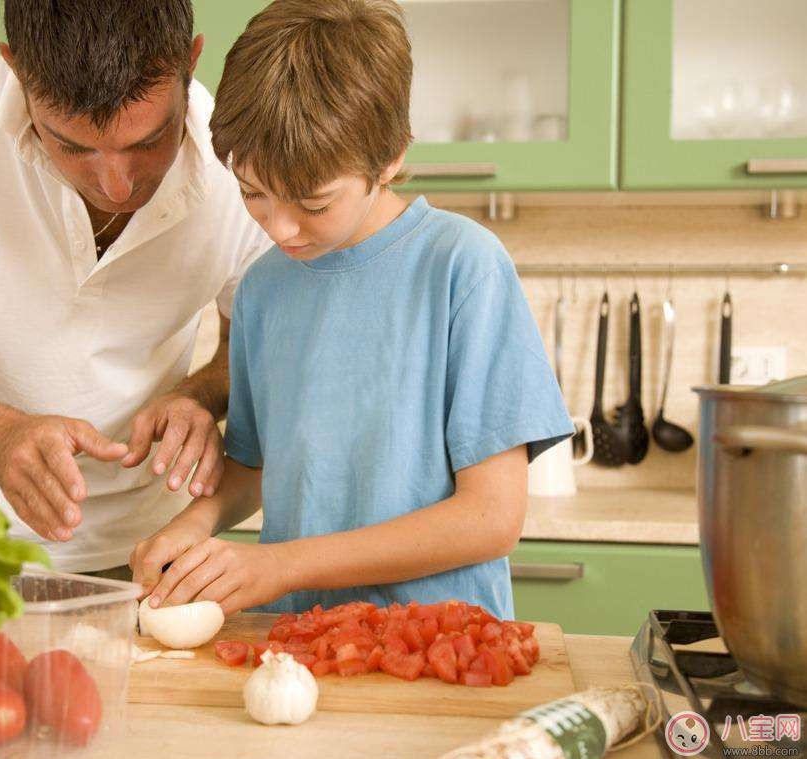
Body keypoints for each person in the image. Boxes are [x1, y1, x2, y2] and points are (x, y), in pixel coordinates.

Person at [130, 0, 573, 616]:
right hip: (298, 639)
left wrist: (282, 565)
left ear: (391, 157)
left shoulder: (461, 266)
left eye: (313, 204)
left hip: (441, 644)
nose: (281, 229)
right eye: (253, 194)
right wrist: (193, 525)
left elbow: (492, 517)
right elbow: (257, 468)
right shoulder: (262, 289)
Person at [0, 0, 270, 576]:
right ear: (15, 70)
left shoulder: (240, 154)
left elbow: (248, 350)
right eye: (74, 146)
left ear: (191, 61)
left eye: (148, 140)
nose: (117, 183)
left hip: (151, 550)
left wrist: (197, 396)